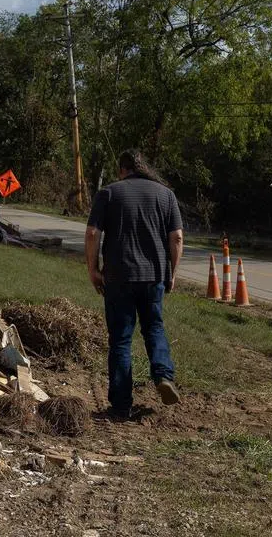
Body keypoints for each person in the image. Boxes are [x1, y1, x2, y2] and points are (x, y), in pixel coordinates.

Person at [84, 149, 184, 418]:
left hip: (118, 277)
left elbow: (93, 233)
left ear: (122, 169)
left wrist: (93, 270)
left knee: (120, 340)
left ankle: (120, 406)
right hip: (153, 277)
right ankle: (163, 375)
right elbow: (176, 238)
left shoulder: (109, 192)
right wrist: (171, 273)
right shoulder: (166, 195)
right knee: (154, 327)